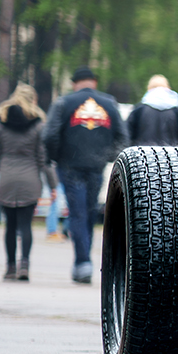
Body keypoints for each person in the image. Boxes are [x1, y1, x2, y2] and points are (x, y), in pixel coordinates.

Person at [43, 66, 127, 283]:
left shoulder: (64, 103)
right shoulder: (109, 103)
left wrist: (56, 157)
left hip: (70, 165)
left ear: (74, 83)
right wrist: (107, 157)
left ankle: (82, 263)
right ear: (94, 82)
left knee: (77, 212)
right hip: (96, 165)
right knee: (89, 212)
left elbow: (50, 135)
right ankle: (84, 261)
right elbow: (122, 137)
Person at [0, 84, 56, 281]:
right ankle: (24, 266)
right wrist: (53, 185)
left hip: (7, 179)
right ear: (32, 100)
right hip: (30, 179)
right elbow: (43, 158)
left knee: (10, 225)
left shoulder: (1, 121)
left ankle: (10, 267)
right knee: (25, 224)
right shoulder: (38, 124)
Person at [126, 74, 178, 146]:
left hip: (144, 154)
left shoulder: (139, 110)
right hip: (170, 155)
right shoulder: (177, 111)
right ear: (168, 88)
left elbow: (128, 136)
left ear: (149, 88)